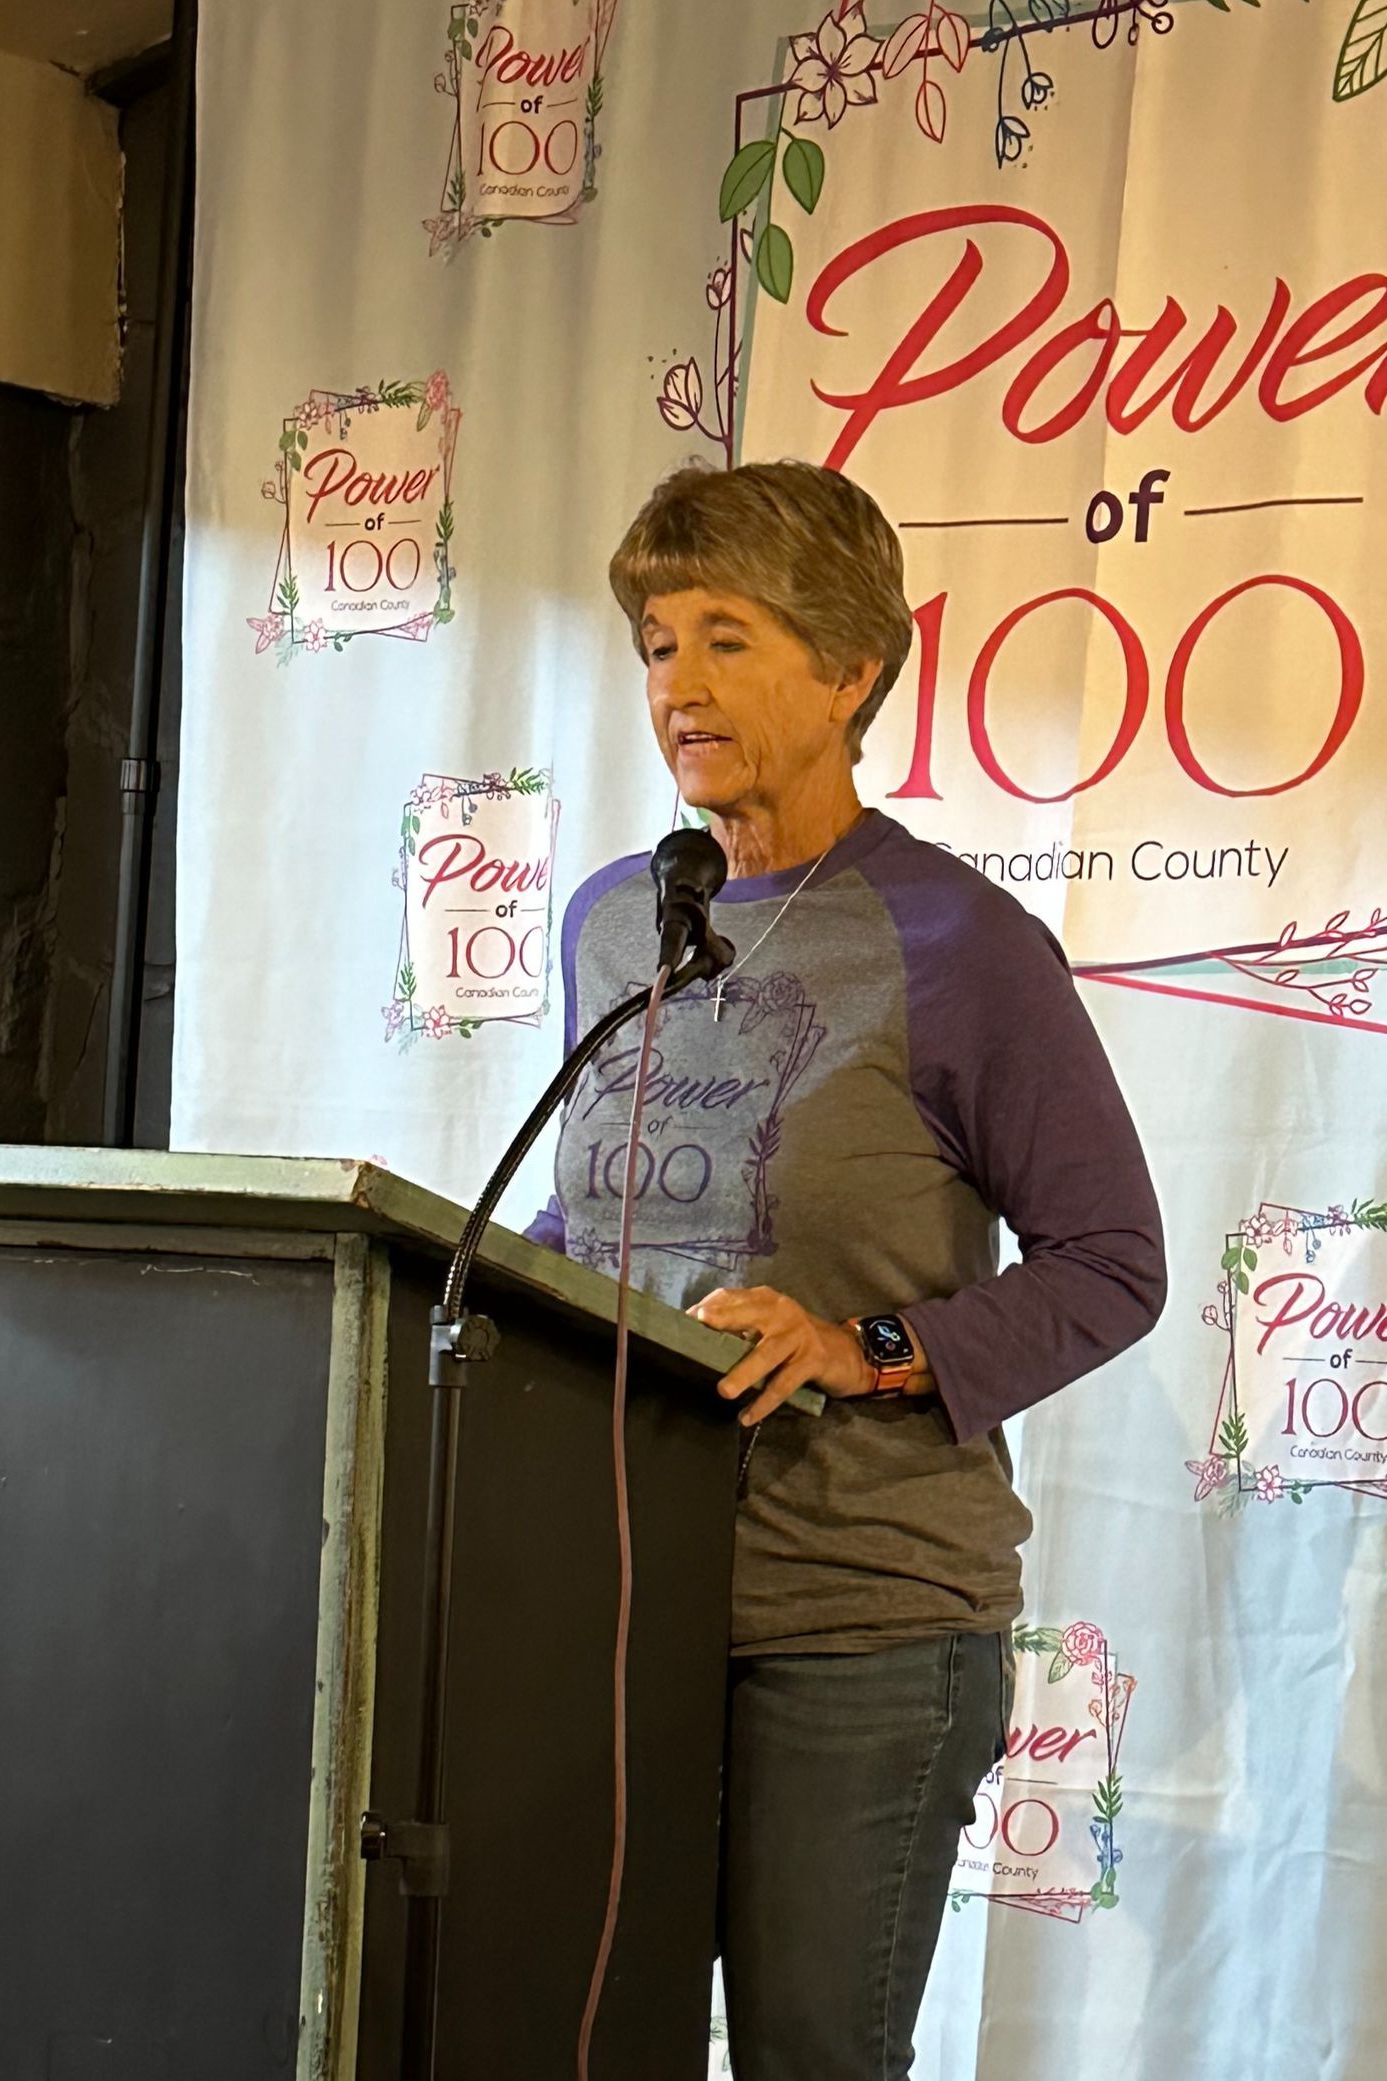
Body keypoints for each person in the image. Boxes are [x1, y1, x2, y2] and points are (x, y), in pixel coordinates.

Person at [527, 459, 1164, 2081]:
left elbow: (1113, 1262)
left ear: (851, 668)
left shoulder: (959, 945)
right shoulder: (620, 922)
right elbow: (595, 1220)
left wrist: (860, 1344)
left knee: (815, 2053)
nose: (680, 683)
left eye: (728, 638)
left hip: (862, 1615)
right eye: (659, 642)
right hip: (618, 1608)